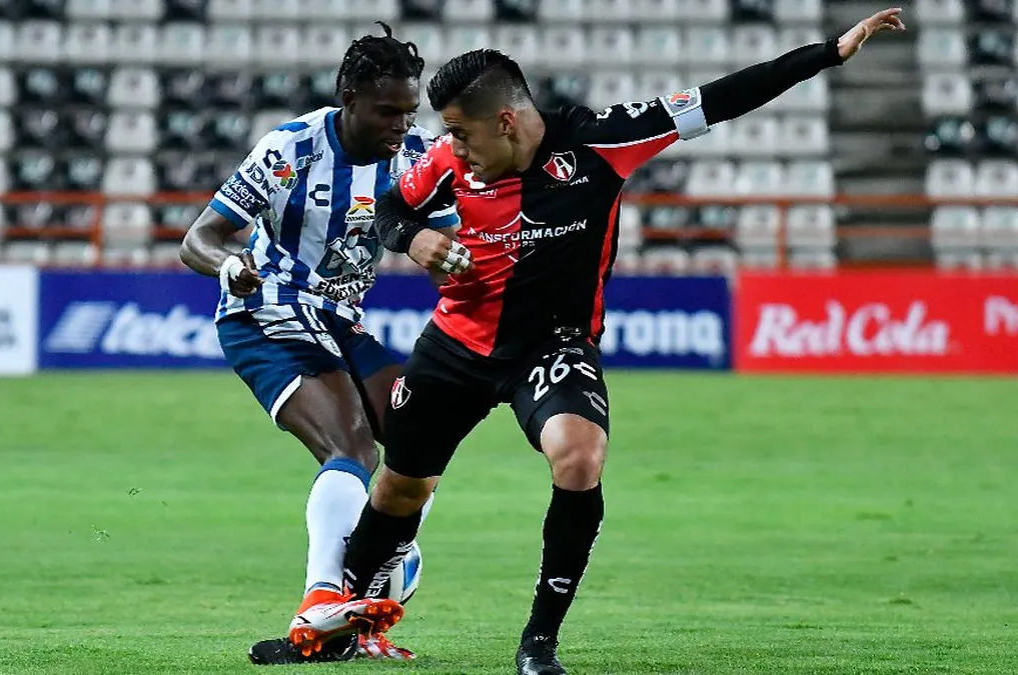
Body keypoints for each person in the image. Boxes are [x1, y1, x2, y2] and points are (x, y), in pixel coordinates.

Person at [290, 8, 906, 675]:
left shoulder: (600, 142)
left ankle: (538, 644)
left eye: (463, 135)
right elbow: (391, 209)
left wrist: (825, 54)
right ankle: (340, 620)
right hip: (457, 343)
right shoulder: (446, 161)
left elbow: (720, 98)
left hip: (552, 347)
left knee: (578, 458)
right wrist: (416, 238)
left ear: (505, 122)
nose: (452, 150)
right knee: (399, 491)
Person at [178, 22, 459, 665]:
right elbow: (200, 238)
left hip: (339, 317)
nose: (398, 123)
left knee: (420, 444)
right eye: (386, 111)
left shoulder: (414, 156)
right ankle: (321, 602)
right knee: (352, 445)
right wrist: (228, 267)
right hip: (265, 308)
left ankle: (360, 609)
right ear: (349, 98)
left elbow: (444, 245)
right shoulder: (291, 148)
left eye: (407, 111)